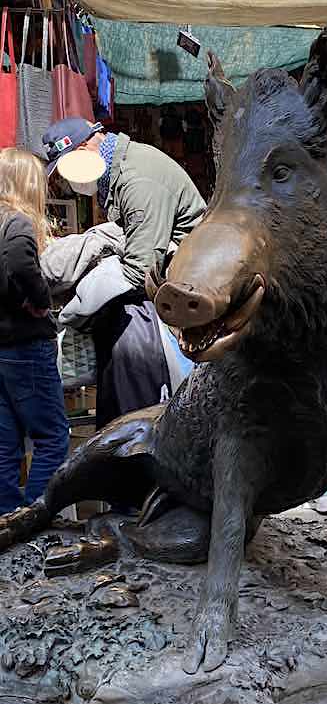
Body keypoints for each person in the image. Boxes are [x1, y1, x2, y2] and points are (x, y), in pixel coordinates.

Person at [41, 118, 207, 428]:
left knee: (138, 393)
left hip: (182, 293)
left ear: (85, 148)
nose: (66, 181)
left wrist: (74, 311)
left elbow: (139, 270)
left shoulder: (138, 180)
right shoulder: (118, 174)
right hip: (162, 287)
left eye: (66, 168)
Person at [0, 149, 69, 514]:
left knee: (4, 444)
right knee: (53, 440)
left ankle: (8, 525)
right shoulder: (17, 222)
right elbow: (18, 258)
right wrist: (40, 299)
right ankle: (34, 519)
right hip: (25, 345)